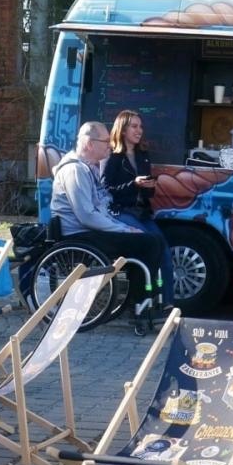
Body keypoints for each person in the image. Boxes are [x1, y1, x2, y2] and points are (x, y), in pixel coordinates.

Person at [51, 121, 169, 316]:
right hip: (80, 234)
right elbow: (87, 215)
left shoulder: (89, 168)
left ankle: (144, 299)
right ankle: (140, 304)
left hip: (89, 230)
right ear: (89, 144)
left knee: (151, 239)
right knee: (148, 242)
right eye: (105, 141)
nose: (110, 144)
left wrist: (121, 225)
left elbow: (101, 206)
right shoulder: (74, 171)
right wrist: (123, 229)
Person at [101, 109, 173, 306]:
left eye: (140, 126)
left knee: (164, 250)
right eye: (134, 126)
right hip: (122, 211)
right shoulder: (113, 157)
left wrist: (148, 187)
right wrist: (134, 184)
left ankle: (167, 303)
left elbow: (146, 190)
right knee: (149, 245)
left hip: (142, 212)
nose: (139, 130)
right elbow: (106, 189)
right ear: (122, 130)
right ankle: (141, 302)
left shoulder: (143, 155)